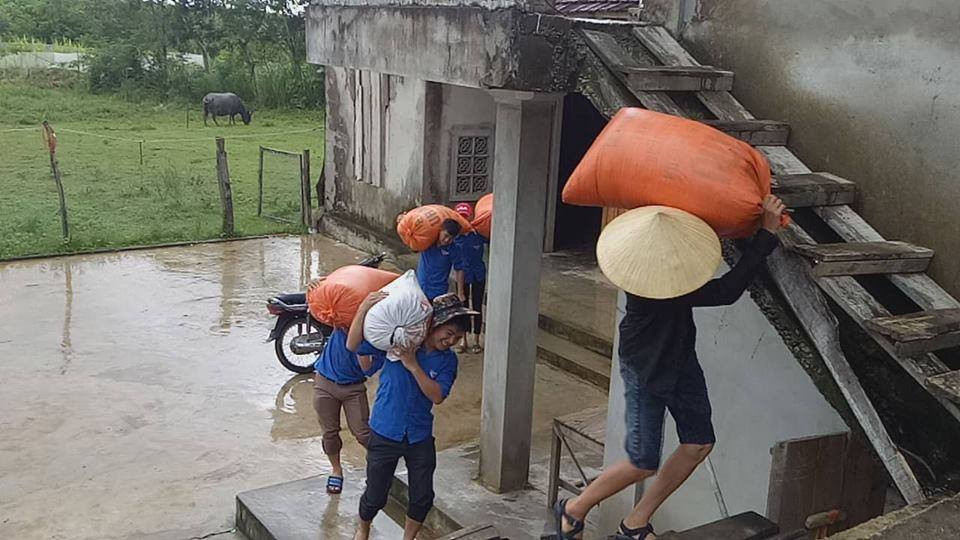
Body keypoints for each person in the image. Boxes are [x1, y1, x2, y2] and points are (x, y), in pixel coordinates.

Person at [554, 195, 787, 540]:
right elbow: (726, 290)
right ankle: (574, 509)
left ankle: (634, 524)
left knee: (698, 444)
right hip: (646, 369)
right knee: (642, 462)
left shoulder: (668, 274)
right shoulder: (653, 286)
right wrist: (765, 235)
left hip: (680, 359)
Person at [348, 292, 477, 540]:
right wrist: (363, 308)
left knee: (423, 496)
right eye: (448, 333)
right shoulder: (399, 342)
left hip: (419, 435)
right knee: (375, 494)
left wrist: (413, 366)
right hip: (386, 430)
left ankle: (408, 537)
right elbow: (353, 344)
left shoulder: (447, 361)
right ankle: (363, 527)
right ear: (433, 325)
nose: (450, 340)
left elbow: (437, 395)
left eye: (457, 338)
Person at [312, 327, 385, 495]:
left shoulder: (379, 342)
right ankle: (336, 470)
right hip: (325, 382)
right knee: (329, 433)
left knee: (363, 433)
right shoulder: (343, 324)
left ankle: (380, 467)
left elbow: (366, 368)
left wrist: (364, 346)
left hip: (354, 387)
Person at [452, 202, 487, 353]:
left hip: (478, 274)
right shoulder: (454, 238)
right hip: (462, 277)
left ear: (471, 217)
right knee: (463, 307)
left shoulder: (478, 235)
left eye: (466, 217)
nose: (464, 220)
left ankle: (477, 340)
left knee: (477, 306)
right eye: (460, 217)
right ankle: (463, 340)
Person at [416, 218, 461, 301]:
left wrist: (460, 293)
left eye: (451, 238)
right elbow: (414, 247)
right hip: (420, 288)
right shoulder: (428, 241)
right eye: (446, 235)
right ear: (440, 230)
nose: (447, 240)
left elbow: (460, 269)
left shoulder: (453, 249)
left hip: (438, 293)